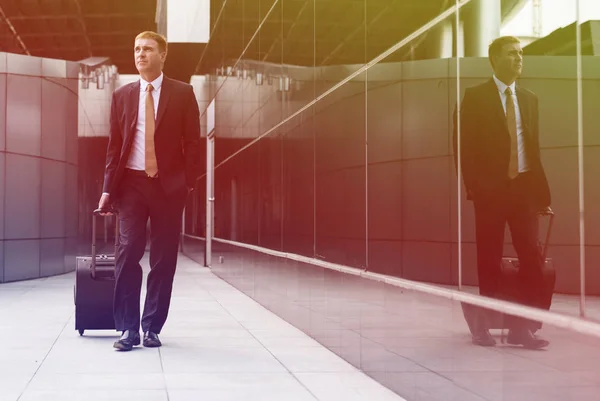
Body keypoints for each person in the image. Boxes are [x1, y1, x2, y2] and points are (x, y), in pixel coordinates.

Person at [98, 31, 201, 351]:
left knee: (164, 258)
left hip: (169, 186)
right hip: (131, 185)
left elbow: (193, 142)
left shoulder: (183, 93)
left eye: (147, 49)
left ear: (163, 54)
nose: (140, 54)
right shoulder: (122, 96)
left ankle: (152, 326)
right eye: (136, 49)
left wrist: (188, 181)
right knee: (128, 253)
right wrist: (106, 190)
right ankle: (128, 329)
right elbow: (115, 147)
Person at [453, 36, 552, 349]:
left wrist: (539, 196)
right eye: (511, 53)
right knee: (490, 259)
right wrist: (476, 187)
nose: (518, 58)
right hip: (491, 193)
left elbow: (532, 149)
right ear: (494, 59)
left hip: (523, 189)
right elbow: (464, 147)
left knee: (531, 261)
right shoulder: (476, 96)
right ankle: (483, 327)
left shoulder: (530, 98)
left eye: (521, 53)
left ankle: (521, 329)